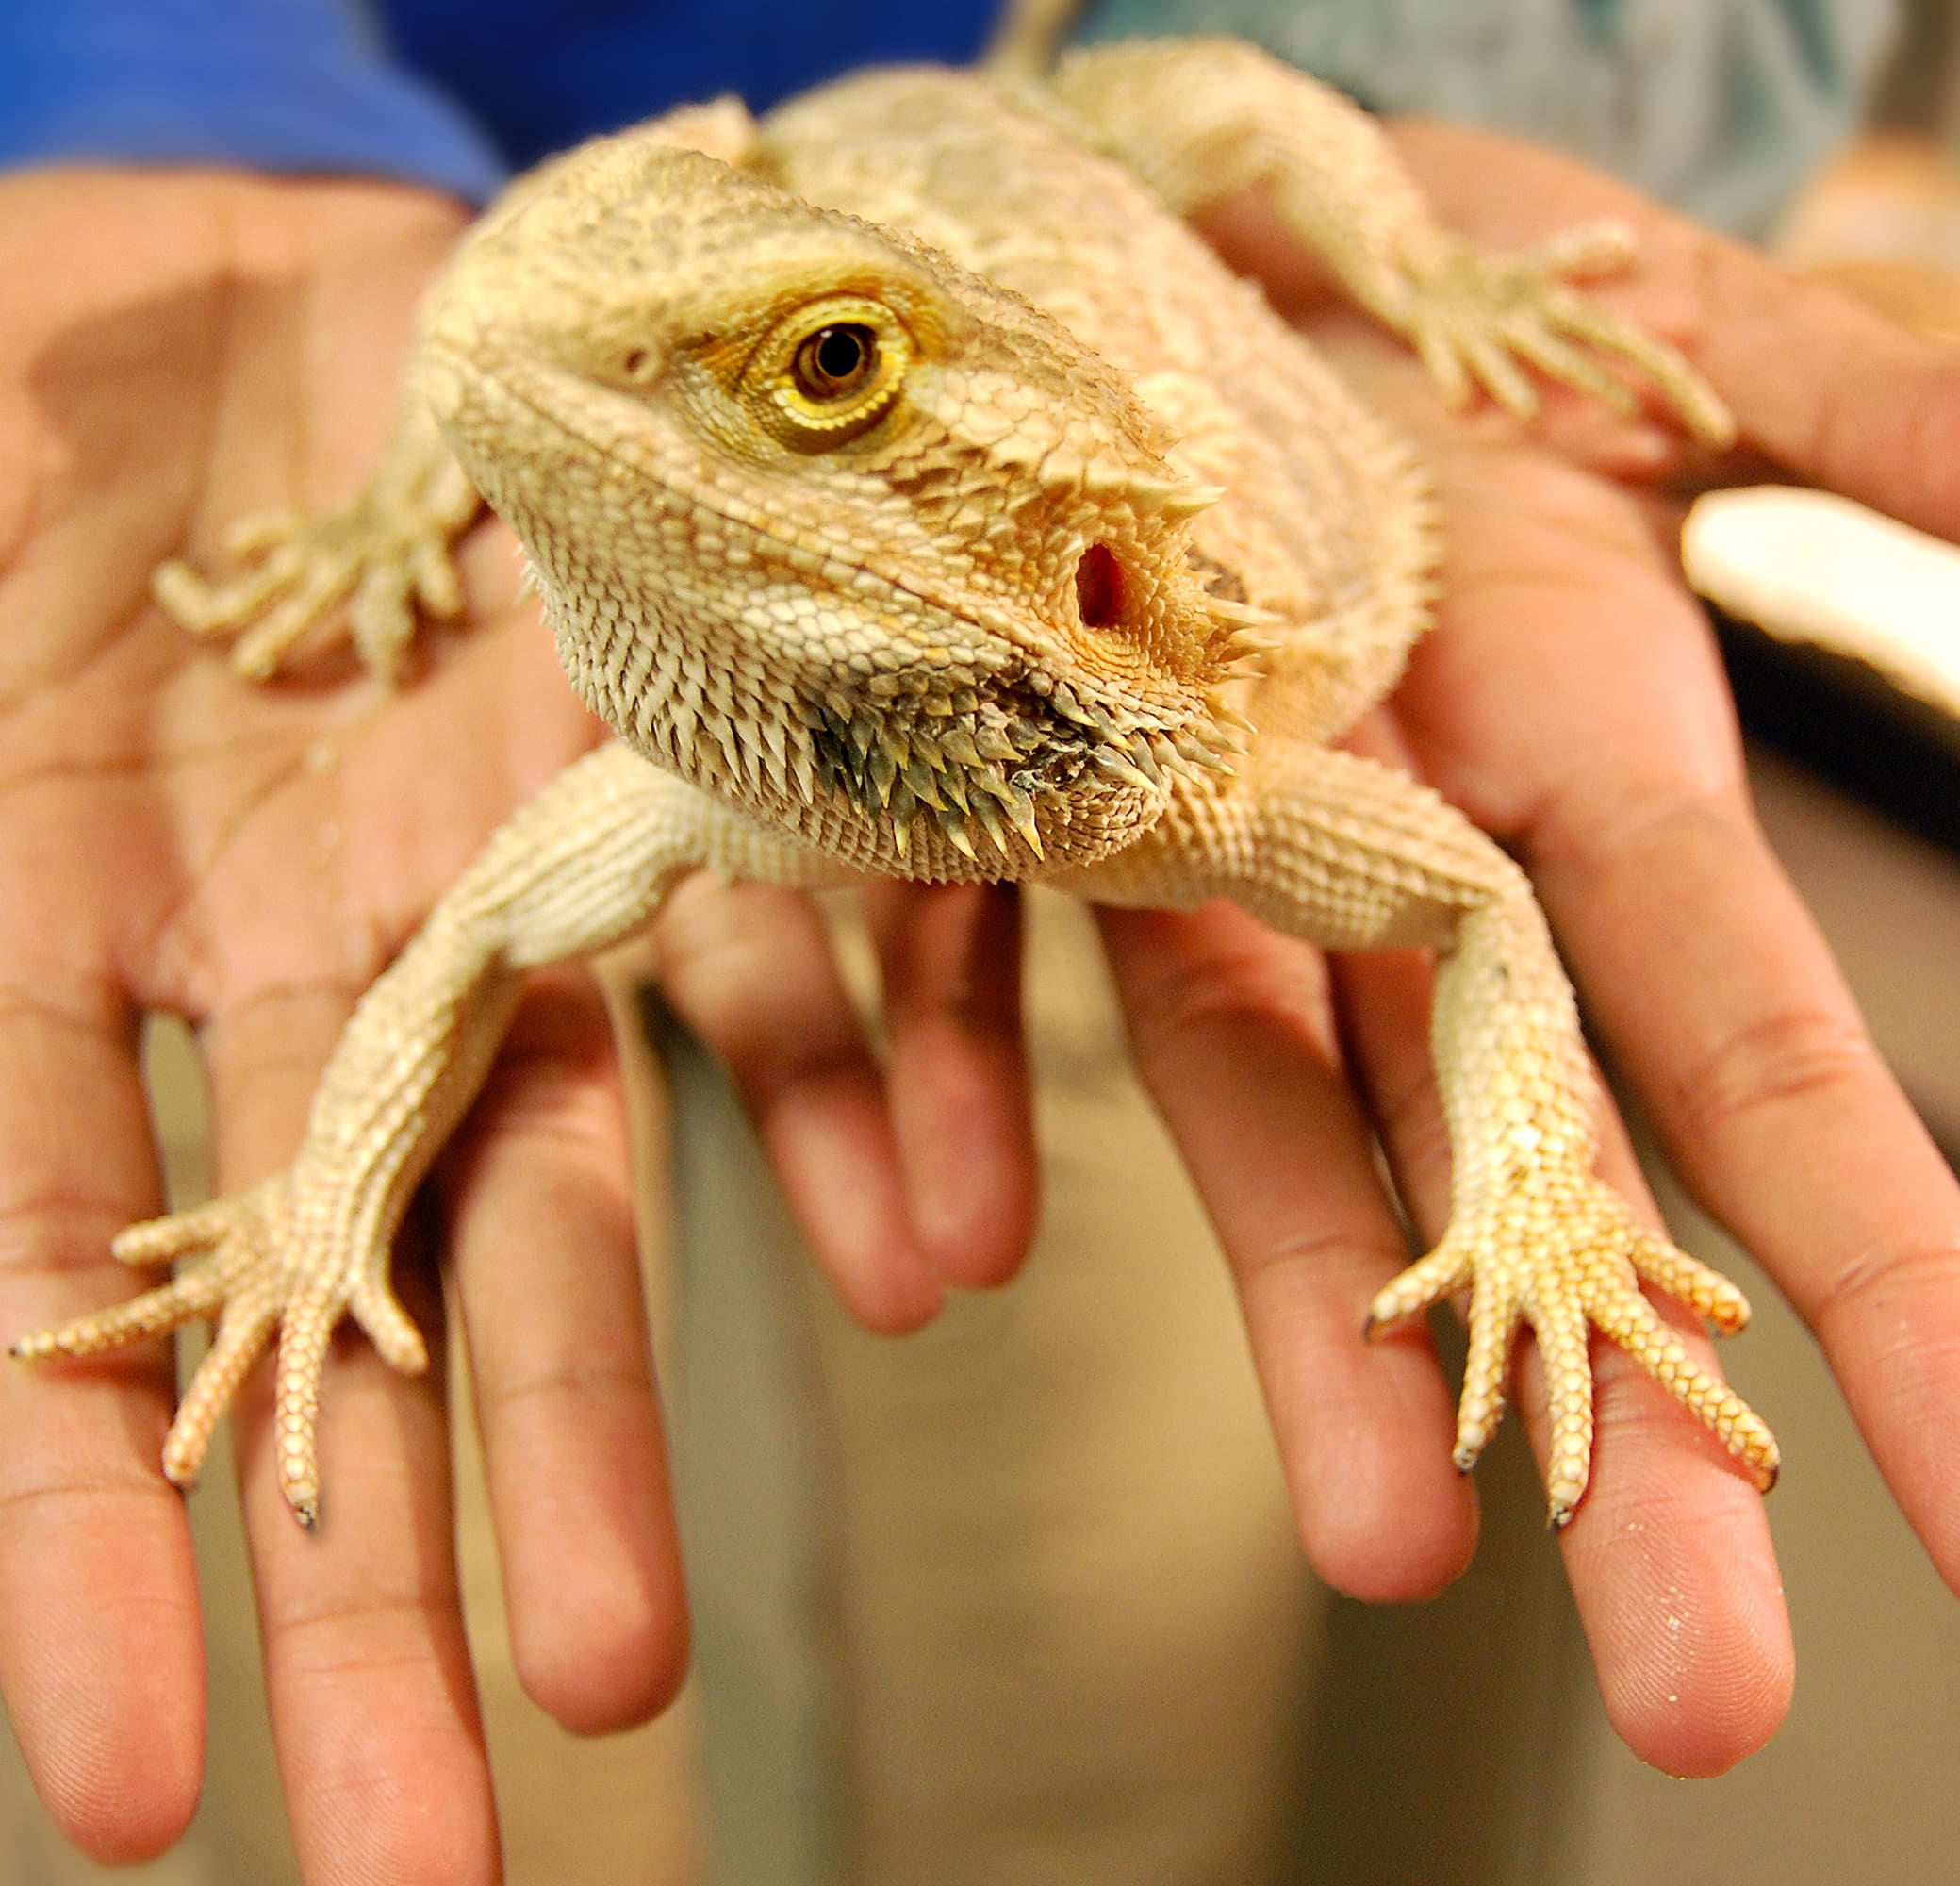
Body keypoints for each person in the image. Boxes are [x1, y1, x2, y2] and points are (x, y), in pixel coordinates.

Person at [2, 2, 1957, 1880]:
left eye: (836, 380)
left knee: (1086, 1711)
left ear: (1082, 568)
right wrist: (313, 1214)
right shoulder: (701, 744)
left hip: (963, 176)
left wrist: (1419, 267)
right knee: (430, 1675)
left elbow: (1468, 901)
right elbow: (468, 936)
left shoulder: (1191, 772)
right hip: (532, 265)